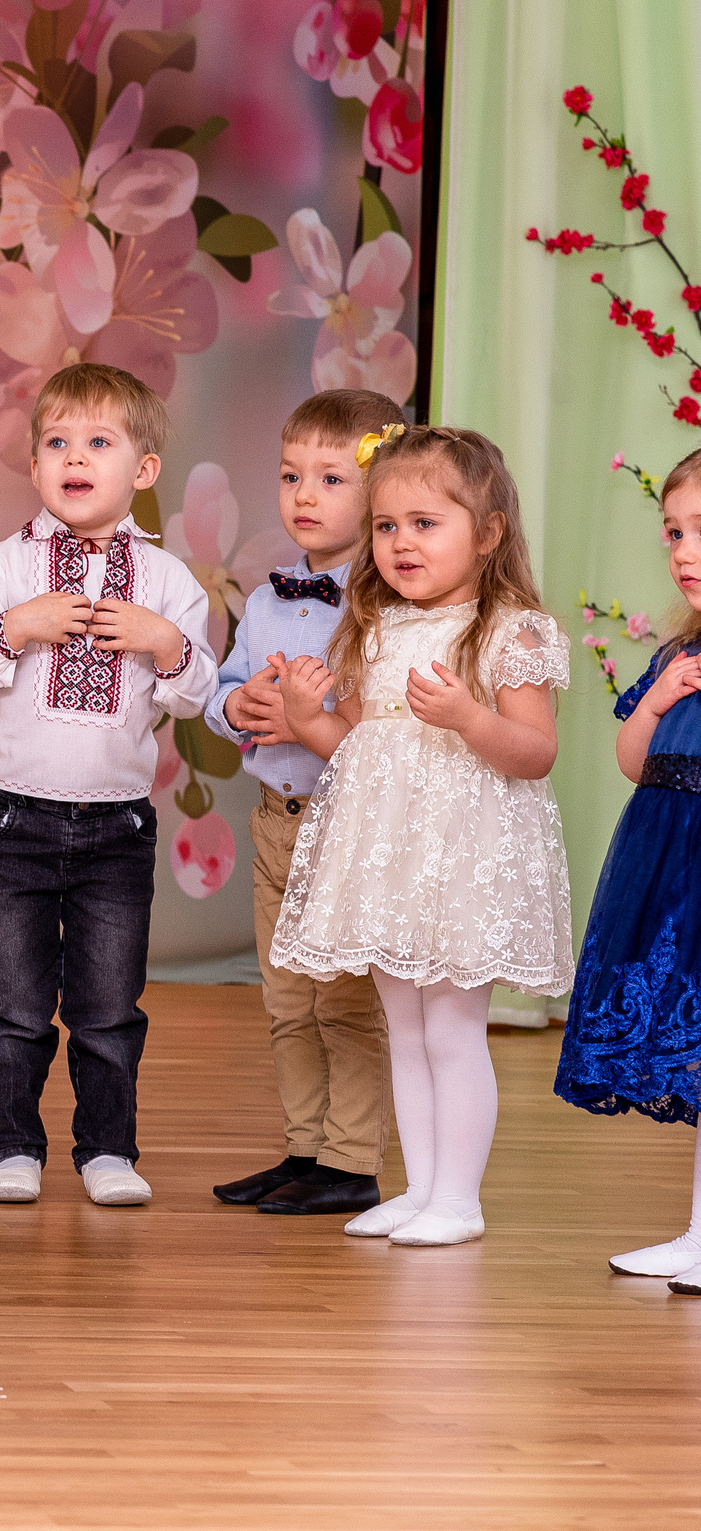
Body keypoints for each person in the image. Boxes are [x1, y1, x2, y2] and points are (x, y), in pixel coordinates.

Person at [271, 425, 572, 1248]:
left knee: (450, 1027)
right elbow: (357, 746)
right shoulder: (379, 627)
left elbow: (536, 752)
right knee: (403, 1026)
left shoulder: (512, 630)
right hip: (390, 852)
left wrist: (469, 717)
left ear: (489, 532)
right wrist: (308, 717)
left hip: (462, 855)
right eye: (385, 525)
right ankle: (421, 1187)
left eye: (424, 523)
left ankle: (460, 1198)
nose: (400, 542)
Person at [0, 361, 217, 1208]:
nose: (75, 456)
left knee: (106, 1002)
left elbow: (197, 689)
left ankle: (108, 1150)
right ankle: (13, 1147)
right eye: (57, 442)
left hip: (117, 827)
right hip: (16, 817)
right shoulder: (9, 566)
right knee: (16, 1000)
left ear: (144, 470)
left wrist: (163, 639)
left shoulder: (167, 581)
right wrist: (12, 627)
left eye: (99, 442)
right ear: (36, 465)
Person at [205, 390, 401, 1218]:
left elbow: (383, 729)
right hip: (273, 822)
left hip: (345, 825)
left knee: (345, 1000)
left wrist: (310, 716)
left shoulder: (384, 606)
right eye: (291, 476)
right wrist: (238, 706)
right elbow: (220, 694)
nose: (305, 496)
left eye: (330, 477)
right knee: (286, 997)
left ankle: (352, 1160)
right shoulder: (263, 599)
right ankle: (304, 1147)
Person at [555, 449, 701, 1283]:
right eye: (672, 533)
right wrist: (655, 697)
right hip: (672, 878)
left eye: (700, 533)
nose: (682, 551)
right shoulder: (678, 656)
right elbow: (633, 761)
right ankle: (695, 1229)